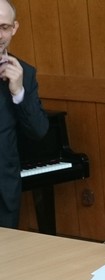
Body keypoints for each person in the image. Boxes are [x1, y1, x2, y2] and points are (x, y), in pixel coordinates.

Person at [0, 0, 48, 229]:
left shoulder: (25, 73)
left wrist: (19, 92)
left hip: (4, 191)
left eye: (4, 27)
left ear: (14, 28)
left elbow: (39, 131)